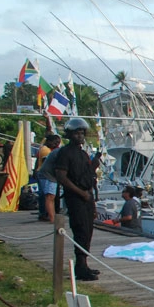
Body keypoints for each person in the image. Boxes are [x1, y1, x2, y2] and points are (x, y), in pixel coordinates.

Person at [55, 117, 102, 281]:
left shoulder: (82, 153)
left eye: (82, 133)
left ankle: (83, 264)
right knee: (80, 230)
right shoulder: (65, 153)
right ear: (70, 134)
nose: (80, 136)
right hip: (76, 197)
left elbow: (88, 176)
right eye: (77, 133)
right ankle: (80, 267)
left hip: (87, 197)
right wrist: (80, 193)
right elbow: (61, 176)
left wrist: (94, 165)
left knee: (88, 231)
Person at [34, 134, 61, 222]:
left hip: (45, 174)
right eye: (55, 142)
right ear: (49, 141)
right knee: (49, 197)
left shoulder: (47, 149)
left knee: (48, 196)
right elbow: (47, 163)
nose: (56, 144)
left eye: (58, 143)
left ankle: (47, 214)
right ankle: (48, 216)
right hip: (47, 175)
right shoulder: (46, 150)